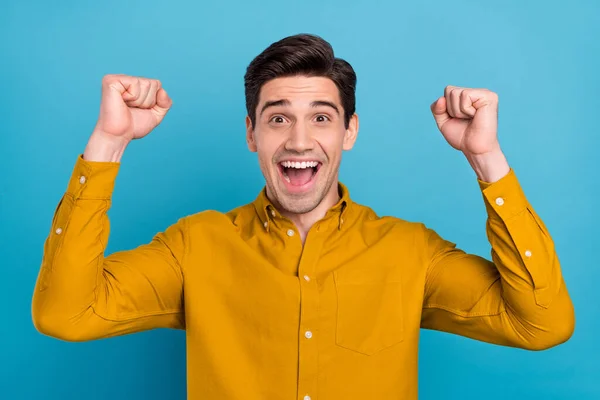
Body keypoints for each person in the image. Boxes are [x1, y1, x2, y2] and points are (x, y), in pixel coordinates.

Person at [32, 33, 575, 399]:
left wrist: (486, 159)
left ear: (349, 131)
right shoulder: (194, 246)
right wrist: (109, 141)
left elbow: (542, 324)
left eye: (321, 116)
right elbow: (66, 313)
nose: (299, 139)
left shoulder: (411, 252)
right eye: (277, 118)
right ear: (251, 134)